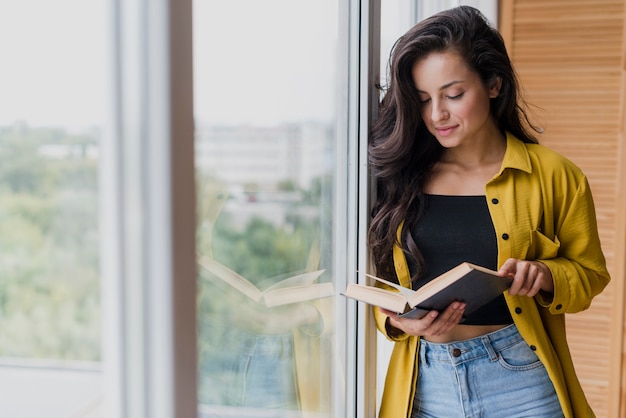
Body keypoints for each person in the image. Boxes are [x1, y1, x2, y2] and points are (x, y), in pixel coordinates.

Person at [368, 5, 610, 418]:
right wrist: (397, 322)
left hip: (521, 380)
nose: (436, 115)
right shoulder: (396, 177)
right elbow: (381, 284)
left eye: (454, 94)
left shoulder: (553, 174)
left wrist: (547, 275)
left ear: (494, 84)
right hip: (426, 383)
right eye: (424, 100)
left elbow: (589, 275)